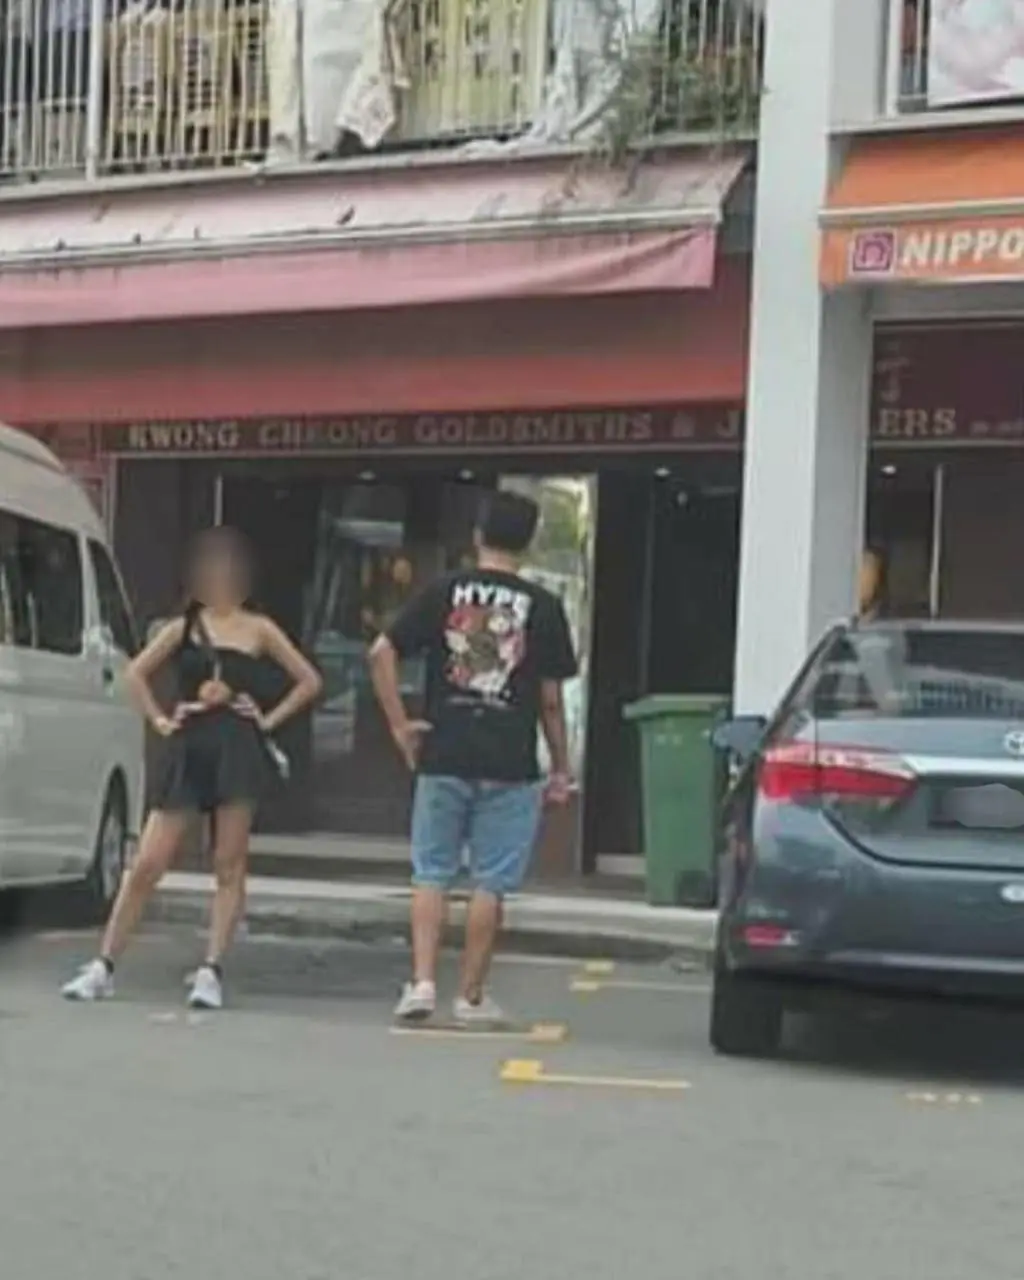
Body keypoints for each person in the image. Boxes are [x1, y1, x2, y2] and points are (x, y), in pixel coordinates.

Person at [62, 526, 322, 1009]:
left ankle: (211, 968)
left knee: (228, 861)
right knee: (149, 862)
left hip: (236, 746)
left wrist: (265, 718)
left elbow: (309, 680)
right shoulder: (182, 627)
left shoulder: (259, 628)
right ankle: (104, 964)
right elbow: (135, 672)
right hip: (191, 744)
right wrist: (161, 720)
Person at [369, 490, 578, 1024]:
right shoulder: (544, 606)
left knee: (431, 872)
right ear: (528, 543)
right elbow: (551, 701)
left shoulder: (444, 590)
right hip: (510, 759)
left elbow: (381, 652)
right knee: (491, 882)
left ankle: (421, 984)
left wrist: (400, 725)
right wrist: (561, 766)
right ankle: (471, 995)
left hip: (444, 748)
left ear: (478, 535)